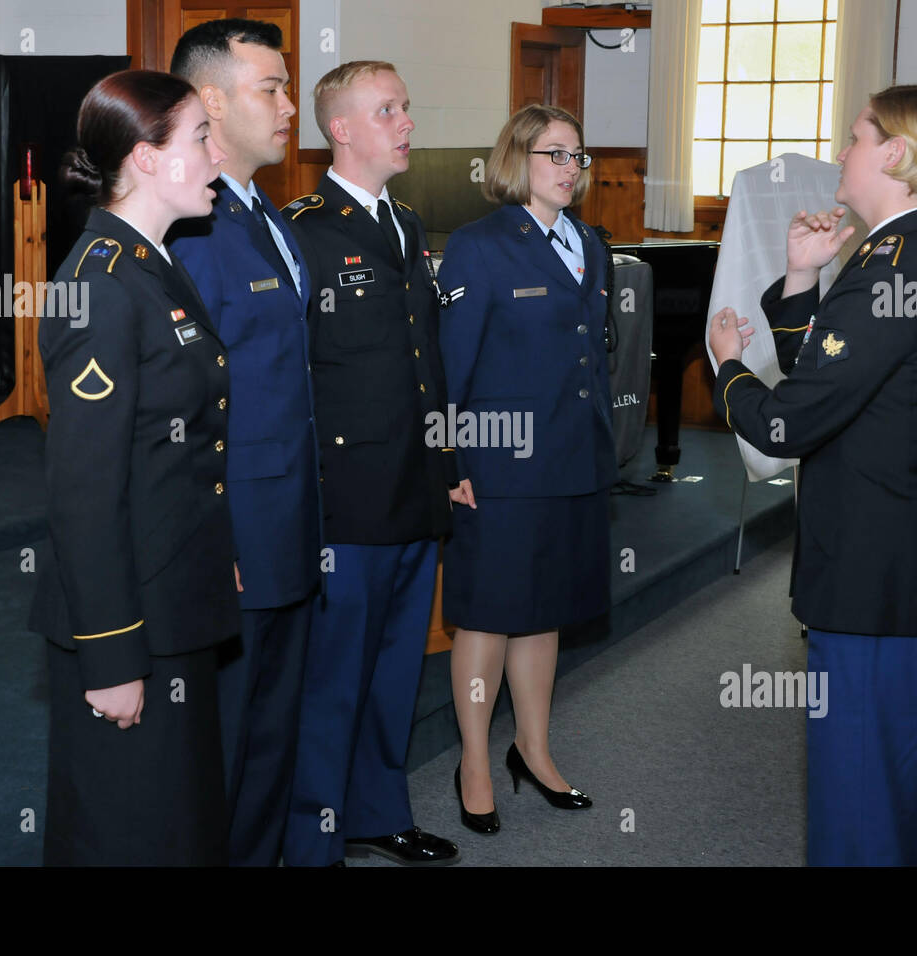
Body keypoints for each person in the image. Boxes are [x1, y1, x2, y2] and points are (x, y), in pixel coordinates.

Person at [707, 84, 917, 866]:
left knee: (861, 817)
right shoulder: (908, 250)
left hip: (881, 580)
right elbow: (837, 392)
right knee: (902, 802)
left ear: (896, 153)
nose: (841, 151)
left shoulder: (895, 269)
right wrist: (803, 280)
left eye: (856, 137)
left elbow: (789, 423)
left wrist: (729, 369)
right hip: (909, 564)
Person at [28, 69, 236, 865]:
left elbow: (179, 449)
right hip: (127, 619)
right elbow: (84, 493)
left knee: (176, 824)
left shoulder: (151, 262)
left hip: (174, 592)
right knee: (126, 831)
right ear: (145, 159)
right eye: (198, 140)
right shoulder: (102, 286)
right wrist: (111, 656)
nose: (216, 158)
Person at [279, 61, 459, 866]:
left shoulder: (407, 224)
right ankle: (315, 836)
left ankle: (378, 812)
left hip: (415, 489)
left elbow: (429, 359)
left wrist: (449, 456)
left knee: (394, 673)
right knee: (333, 682)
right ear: (342, 130)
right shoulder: (304, 231)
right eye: (387, 109)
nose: (407, 122)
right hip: (346, 499)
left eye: (407, 106)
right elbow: (287, 379)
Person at [435, 105, 616, 833]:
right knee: (488, 613)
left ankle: (533, 750)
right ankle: (474, 759)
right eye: (555, 155)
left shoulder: (589, 244)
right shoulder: (480, 247)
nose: (571, 169)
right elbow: (452, 361)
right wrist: (448, 457)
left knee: (545, 611)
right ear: (516, 159)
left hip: (574, 454)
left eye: (578, 156)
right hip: (499, 461)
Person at [167, 18, 320, 868]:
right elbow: (182, 408)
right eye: (272, 88)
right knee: (223, 746)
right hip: (233, 536)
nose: (290, 106)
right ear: (213, 102)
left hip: (289, 520)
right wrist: (207, 532)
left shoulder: (266, 213)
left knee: (270, 738)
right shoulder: (189, 230)